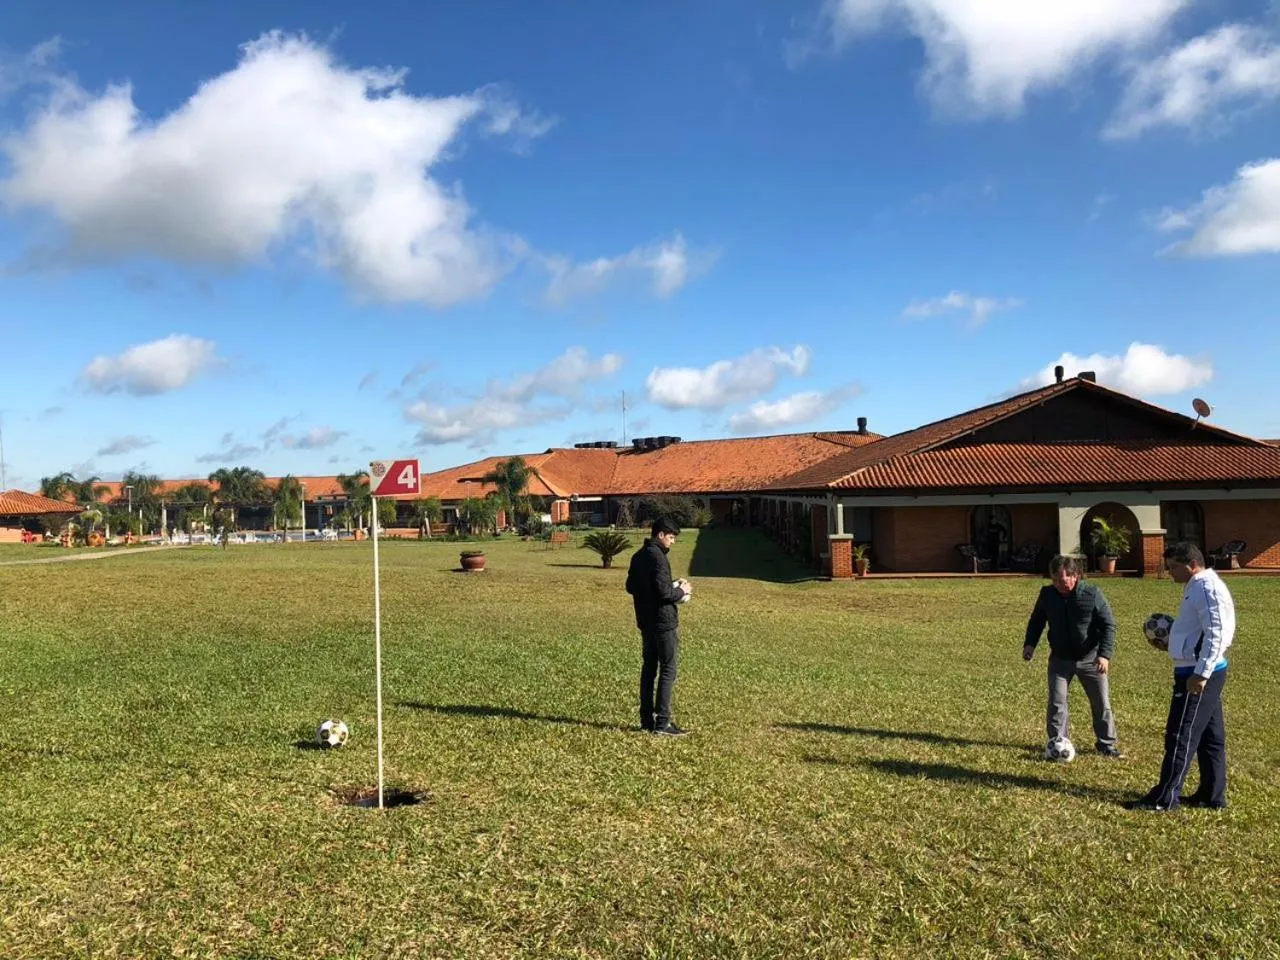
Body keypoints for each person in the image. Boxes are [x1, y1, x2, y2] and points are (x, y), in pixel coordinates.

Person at [1130, 542, 1235, 812]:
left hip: (1198, 675)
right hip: (1195, 669)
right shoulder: (1196, 586)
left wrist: (1201, 673)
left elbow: (1217, 633)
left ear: (1192, 565)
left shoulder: (1207, 588)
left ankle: (1165, 798)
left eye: (1174, 567)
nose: (1170, 572)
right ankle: (1211, 795)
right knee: (1211, 737)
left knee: (1181, 734)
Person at [1023, 554, 1123, 758]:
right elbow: (1037, 621)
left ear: (1075, 576)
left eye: (1063, 579)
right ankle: (1057, 743)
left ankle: (1107, 745)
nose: (1060, 584)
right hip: (1060, 659)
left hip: (1091, 659)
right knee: (1057, 701)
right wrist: (1030, 644)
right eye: (1055, 580)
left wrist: (1104, 655)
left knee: (1101, 702)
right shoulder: (1047, 594)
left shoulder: (1092, 593)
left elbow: (1108, 625)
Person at [625, 517, 692, 736]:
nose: (672, 542)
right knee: (668, 670)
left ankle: (646, 719)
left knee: (648, 669)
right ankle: (663, 722)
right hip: (663, 623)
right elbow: (664, 593)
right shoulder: (658, 558)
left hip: (645, 621)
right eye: (671, 537)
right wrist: (682, 591)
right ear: (660, 535)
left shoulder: (638, 556)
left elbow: (630, 586)